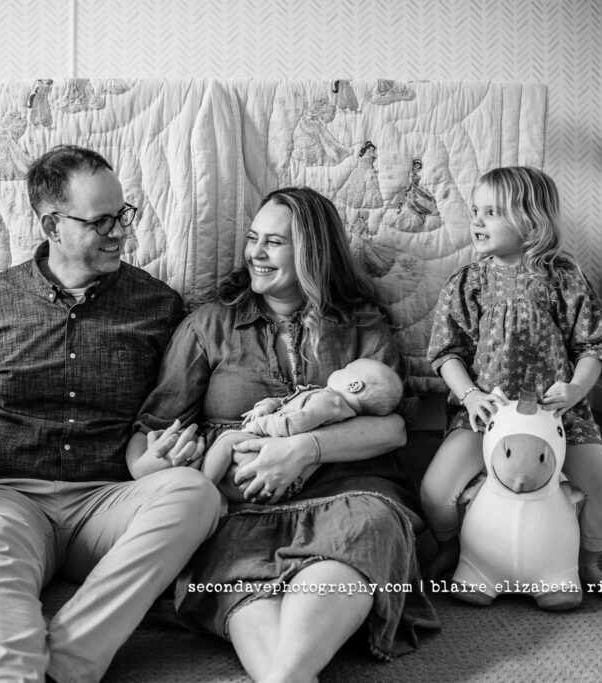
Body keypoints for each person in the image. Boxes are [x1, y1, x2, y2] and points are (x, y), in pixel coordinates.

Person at [0, 145, 222, 683]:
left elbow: (173, 409)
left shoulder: (158, 305)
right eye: (100, 220)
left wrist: (172, 449)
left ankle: (70, 661)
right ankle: (4, 676)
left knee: (195, 494)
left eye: (122, 215)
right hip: (5, 495)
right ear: (51, 225)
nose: (119, 232)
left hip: (108, 503)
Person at [129, 187, 439, 682]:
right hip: (237, 505)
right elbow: (153, 428)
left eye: (274, 242)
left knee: (365, 531)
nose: (256, 252)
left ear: (313, 252)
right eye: (253, 238)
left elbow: (394, 428)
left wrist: (303, 448)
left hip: (348, 492)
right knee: (234, 565)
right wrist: (153, 469)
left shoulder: (361, 323)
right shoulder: (210, 324)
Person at [420, 166, 602, 600]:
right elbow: (446, 352)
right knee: (436, 491)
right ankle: (451, 549)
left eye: (491, 212)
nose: (477, 221)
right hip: (485, 415)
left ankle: (588, 562)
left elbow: (594, 345)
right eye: (475, 210)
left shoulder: (564, 278)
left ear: (531, 221)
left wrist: (576, 390)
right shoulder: (468, 282)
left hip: (556, 416)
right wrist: (469, 395)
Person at [202, 357, 403, 502]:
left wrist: (259, 424)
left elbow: (293, 424)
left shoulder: (328, 402)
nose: (340, 368)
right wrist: (266, 406)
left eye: (345, 368)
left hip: (269, 457)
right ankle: (220, 498)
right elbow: (288, 402)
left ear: (354, 385)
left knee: (228, 439)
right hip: (287, 483)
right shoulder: (333, 406)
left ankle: (206, 488)